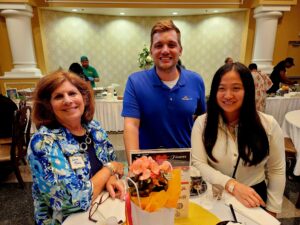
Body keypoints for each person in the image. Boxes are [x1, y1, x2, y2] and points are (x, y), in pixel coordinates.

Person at [27, 71, 124, 224]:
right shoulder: (43, 142)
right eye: (58, 96)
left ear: (84, 98)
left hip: (102, 209)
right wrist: (109, 169)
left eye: (72, 93)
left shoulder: (94, 128)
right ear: (48, 105)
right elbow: (72, 201)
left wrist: (111, 176)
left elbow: (116, 164)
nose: (67, 100)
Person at [191, 62, 285, 217]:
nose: (228, 95)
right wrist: (232, 185)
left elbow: (276, 169)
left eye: (236, 88)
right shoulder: (202, 123)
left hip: (254, 196)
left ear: (248, 91)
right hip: (215, 196)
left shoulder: (268, 124)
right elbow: (199, 164)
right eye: (221, 88)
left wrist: (273, 210)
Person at [122, 19, 206, 161]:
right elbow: (131, 126)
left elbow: (203, 121)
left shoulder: (195, 81)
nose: (165, 50)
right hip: (149, 163)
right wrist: (135, 166)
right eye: (159, 45)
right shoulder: (135, 82)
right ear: (151, 50)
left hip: (185, 160)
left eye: (172, 45)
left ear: (180, 50)